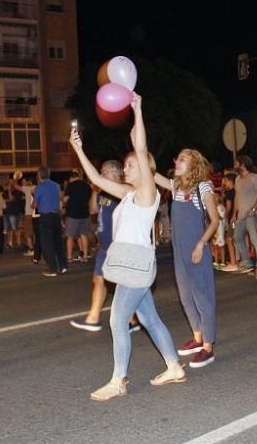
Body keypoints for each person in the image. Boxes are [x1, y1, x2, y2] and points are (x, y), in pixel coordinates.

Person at [69, 94, 186, 401]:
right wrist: (78, 149)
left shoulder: (148, 193)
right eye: (126, 165)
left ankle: (118, 380)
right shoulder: (127, 194)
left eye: (131, 165)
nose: (126, 168)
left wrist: (137, 112)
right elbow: (94, 177)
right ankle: (174, 366)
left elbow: (142, 147)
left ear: (146, 168)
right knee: (149, 319)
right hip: (131, 266)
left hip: (135, 267)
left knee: (117, 320)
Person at [156, 149, 221, 368]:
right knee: (185, 296)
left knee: (202, 297)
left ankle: (208, 347)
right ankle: (197, 337)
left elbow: (214, 220)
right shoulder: (175, 187)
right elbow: (151, 172)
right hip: (179, 251)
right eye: (177, 157)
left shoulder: (202, 187)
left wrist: (201, 244)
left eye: (182, 158)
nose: (177, 160)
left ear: (193, 164)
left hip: (196, 249)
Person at [71, 160, 124, 332]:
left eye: (104, 172)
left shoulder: (123, 193)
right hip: (105, 245)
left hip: (118, 246)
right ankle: (93, 318)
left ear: (116, 174)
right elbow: (93, 211)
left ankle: (134, 318)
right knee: (99, 280)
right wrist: (95, 191)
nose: (101, 176)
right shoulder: (103, 192)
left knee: (122, 285)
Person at [231, 156, 257, 274]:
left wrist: (254, 208)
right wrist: (234, 214)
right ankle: (246, 261)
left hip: (251, 214)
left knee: (254, 239)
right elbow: (237, 197)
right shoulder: (237, 179)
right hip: (241, 215)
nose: (235, 165)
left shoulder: (254, 177)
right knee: (237, 237)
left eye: (236, 163)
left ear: (243, 164)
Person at [34, 168, 66, 277]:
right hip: (56, 215)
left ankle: (52, 269)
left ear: (39, 175)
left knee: (47, 243)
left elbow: (34, 204)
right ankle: (63, 265)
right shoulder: (56, 185)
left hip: (46, 216)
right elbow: (60, 199)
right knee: (58, 241)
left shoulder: (40, 187)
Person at [63, 170, 93, 263]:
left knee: (70, 236)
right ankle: (85, 256)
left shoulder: (70, 185)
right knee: (84, 235)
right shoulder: (87, 185)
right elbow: (90, 198)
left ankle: (69, 257)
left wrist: (63, 199)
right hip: (85, 214)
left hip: (73, 214)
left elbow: (65, 199)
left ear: (71, 178)